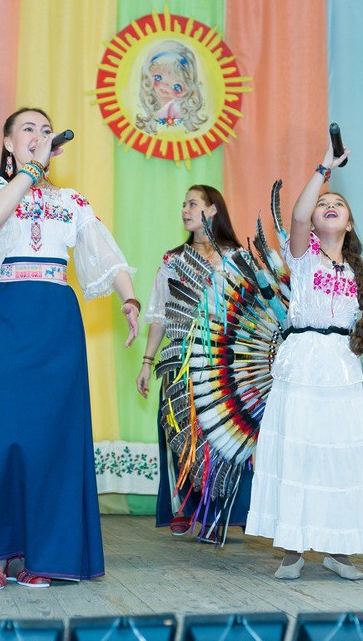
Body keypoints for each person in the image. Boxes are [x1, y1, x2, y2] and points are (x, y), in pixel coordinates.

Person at [0, 107, 140, 591]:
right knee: (7, 434)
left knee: (53, 438)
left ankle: (43, 553)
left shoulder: (70, 201)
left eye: (46, 130)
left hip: (57, 319)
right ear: (8, 142)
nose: (38, 135)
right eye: (28, 129)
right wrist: (31, 170)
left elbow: (105, 253)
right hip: (9, 316)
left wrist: (129, 299)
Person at [245, 146, 363, 580]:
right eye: (323, 202)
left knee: (342, 457)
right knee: (299, 453)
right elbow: (298, 215)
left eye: (337, 204)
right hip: (301, 363)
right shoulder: (303, 254)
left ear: (350, 223)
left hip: (341, 366)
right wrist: (324, 167)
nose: (328, 205)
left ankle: (339, 550)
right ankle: (292, 550)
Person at [137, 184, 251, 540]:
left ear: (213, 210)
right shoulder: (173, 260)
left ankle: (220, 515)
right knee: (182, 433)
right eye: (183, 204)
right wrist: (147, 362)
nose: (185, 210)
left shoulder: (237, 259)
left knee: (222, 437)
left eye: (192, 204)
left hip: (222, 361)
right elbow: (160, 315)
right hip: (180, 359)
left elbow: (250, 313)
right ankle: (186, 508)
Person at [135, 41, 207, 134]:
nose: (165, 86)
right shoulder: (149, 103)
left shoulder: (179, 110)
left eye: (176, 86)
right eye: (158, 77)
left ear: (186, 89)